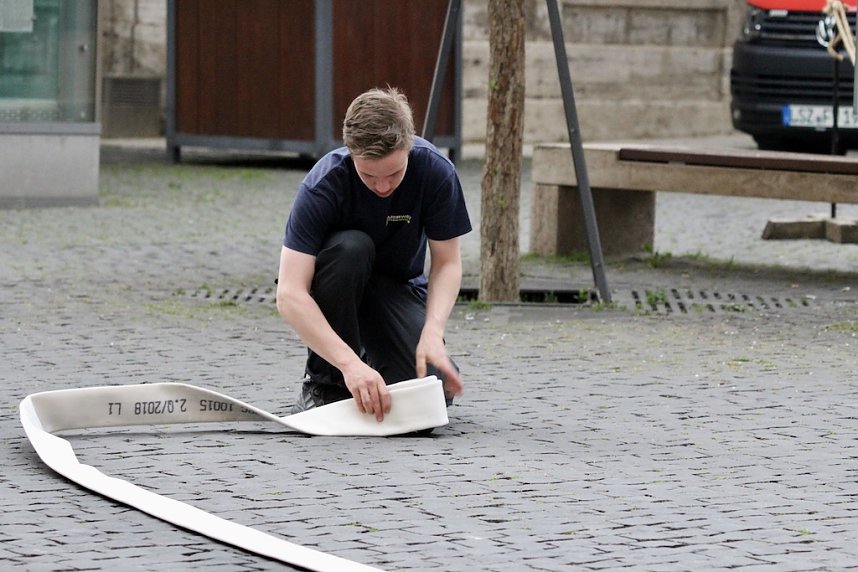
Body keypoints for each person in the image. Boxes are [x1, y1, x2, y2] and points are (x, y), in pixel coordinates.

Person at [276, 87, 472, 423]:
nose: (382, 187)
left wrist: (432, 332)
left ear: (409, 145)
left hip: (396, 288)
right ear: (350, 153)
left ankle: (371, 360)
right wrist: (349, 366)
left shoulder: (436, 171)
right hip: (338, 283)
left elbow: (447, 262)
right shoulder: (323, 184)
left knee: (433, 391)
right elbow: (290, 294)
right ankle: (325, 382)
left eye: (394, 174)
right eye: (369, 175)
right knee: (352, 247)